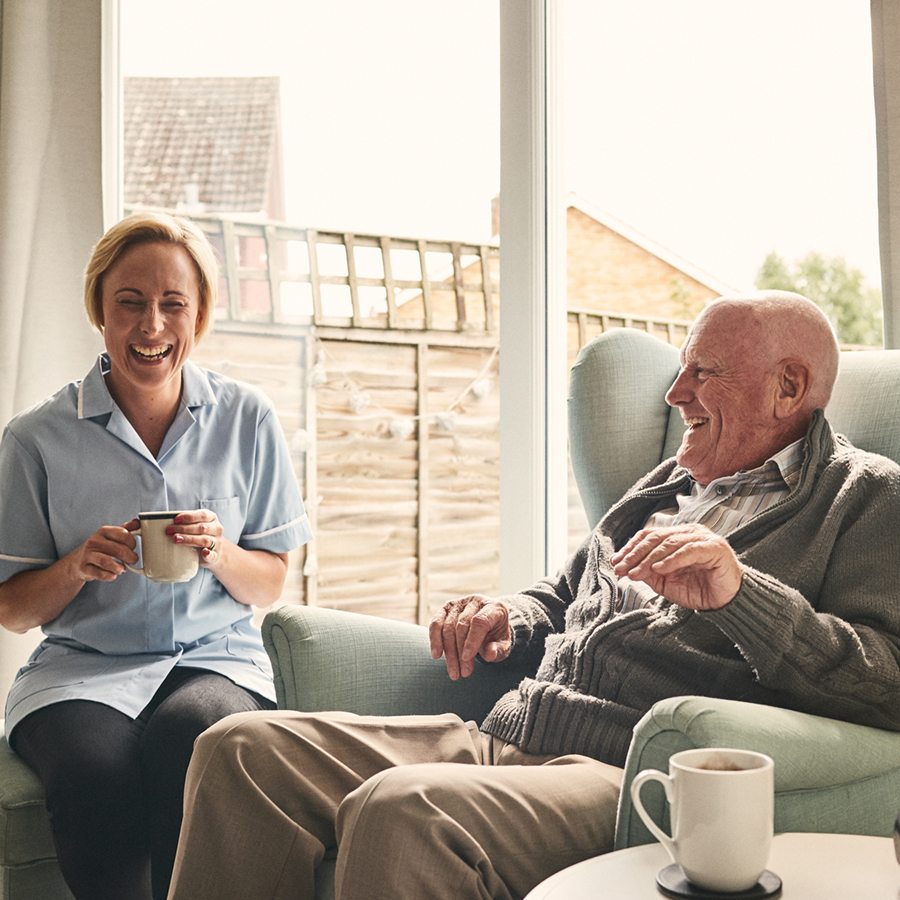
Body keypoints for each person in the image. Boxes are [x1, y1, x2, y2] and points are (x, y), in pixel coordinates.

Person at [166, 291, 900, 900]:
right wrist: (508, 616)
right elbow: (563, 591)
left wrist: (740, 593)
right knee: (239, 750)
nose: (677, 396)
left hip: (626, 773)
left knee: (404, 811)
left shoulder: (863, 498)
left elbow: (885, 680)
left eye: (703, 373)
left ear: (789, 387)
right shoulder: (671, 482)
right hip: (506, 732)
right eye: (680, 372)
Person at [0, 212, 312, 900]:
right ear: (99, 310)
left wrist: (219, 552)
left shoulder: (248, 418)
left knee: (199, 740)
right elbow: (13, 609)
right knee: (91, 772)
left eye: (173, 304)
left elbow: (272, 581)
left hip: (214, 657)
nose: (152, 327)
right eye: (130, 303)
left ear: (198, 315)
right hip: (80, 669)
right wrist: (76, 565)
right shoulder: (34, 440)